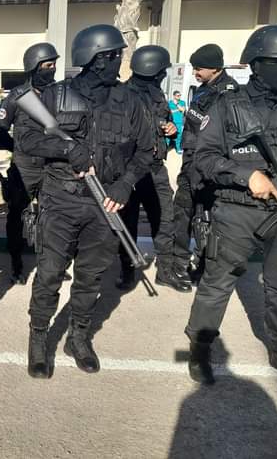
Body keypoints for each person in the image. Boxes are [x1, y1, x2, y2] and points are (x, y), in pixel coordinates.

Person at [16, 25, 152, 378]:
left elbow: (146, 150)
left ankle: (78, 337)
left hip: (105, 203)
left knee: (91, 278)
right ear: (93, 58)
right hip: (61, 200)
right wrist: (66, 149)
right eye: (112, 56)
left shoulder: (129, 100)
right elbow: (27, 138)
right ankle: (38, 339)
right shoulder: (55, 95)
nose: (118, 62)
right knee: (49, 274)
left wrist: (125, 185)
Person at [186, 25, 277, 386]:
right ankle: (200, 348)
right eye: (276, 63)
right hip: (237, 211)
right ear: (256, 64)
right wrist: (246, 175)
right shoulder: (227, 105)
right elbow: (203, 158)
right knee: (217, 284)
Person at [118, 46, 188, 291]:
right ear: (153, 70)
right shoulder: (122, 95)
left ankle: (165, 271)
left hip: (156, 167)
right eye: (162, 71)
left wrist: (170, 129)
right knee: (128, 221)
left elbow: (165, 121)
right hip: (130, 169)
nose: (164, 75)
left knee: (165, 218)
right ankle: (127, 270)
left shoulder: (157, 94)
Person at [0, 42, 59, 284]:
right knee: (16, 216)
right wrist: (18, 148)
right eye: (48, 65)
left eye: (54, 65)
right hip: (24, 169)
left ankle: (50, 265)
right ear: (34, 66)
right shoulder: (17, 96)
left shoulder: (59, 94)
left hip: (52, 166)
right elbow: (0, 131)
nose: (52, 69)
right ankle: (16, 264)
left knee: (52, 219)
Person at [172, 44, 238, 284]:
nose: (195, 72)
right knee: (182, 213)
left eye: (199, 68)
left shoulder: (229, 93)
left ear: (215, 68)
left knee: (206, 219)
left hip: (210, 168)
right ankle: (179, 263)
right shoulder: (203, 89)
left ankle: (203, 267)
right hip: (191, 164)